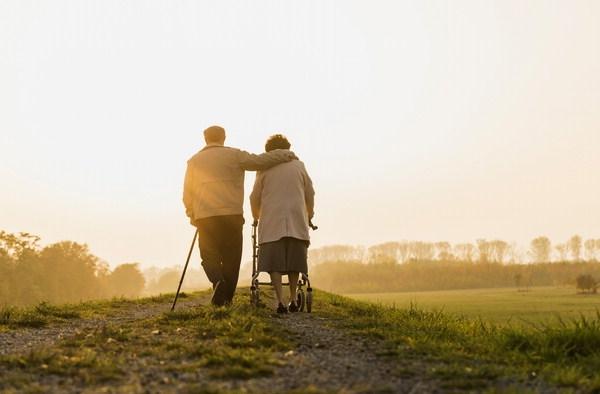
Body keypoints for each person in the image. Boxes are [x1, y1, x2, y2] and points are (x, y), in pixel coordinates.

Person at [183, 126, 297, 306]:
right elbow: (261, 161)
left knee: (208, 255)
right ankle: (226, 298)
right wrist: (285, 154)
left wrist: (191, 214)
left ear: (205, 138)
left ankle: (217, 281)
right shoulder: (234, 155)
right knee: (232, 258)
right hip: (232, 215)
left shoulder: (194, 161)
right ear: (224, 138)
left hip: (205, 216)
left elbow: (187, 193)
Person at [250, 134, 315, 313]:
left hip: (271, 222)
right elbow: (310, 193)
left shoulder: (264, 169)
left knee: (274, 263)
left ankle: (280, 301)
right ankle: (293, 298)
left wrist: (256, 216)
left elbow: (254, 197)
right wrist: (309, 214)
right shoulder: (299, 166)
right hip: (296, 219)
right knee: (295, 262)